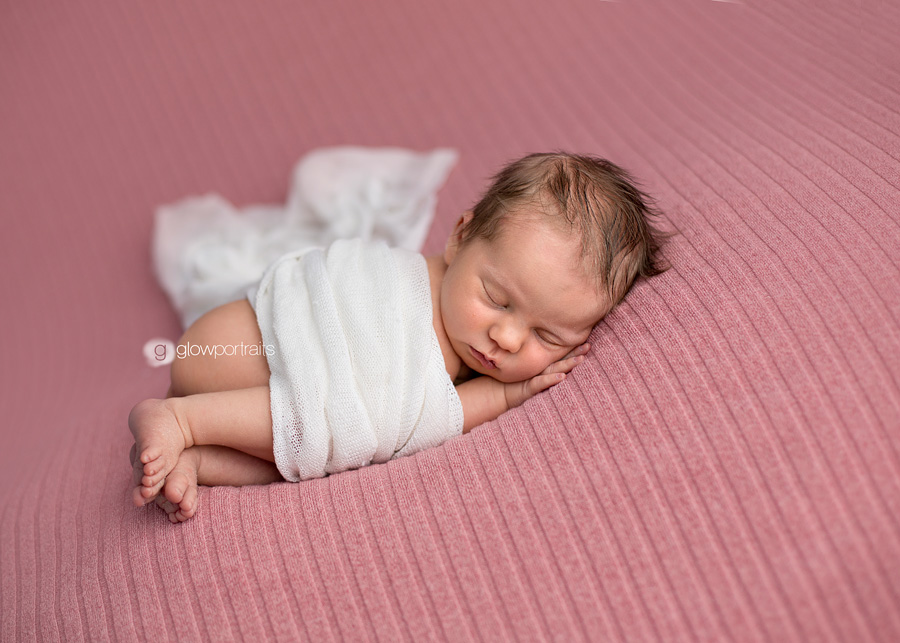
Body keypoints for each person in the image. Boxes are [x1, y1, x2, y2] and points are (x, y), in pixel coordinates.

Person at [128, 152, 668, 523]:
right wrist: (509, 392)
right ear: (459, 238)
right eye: (496, 299)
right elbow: (438, 410)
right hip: (235, 348)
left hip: (249, 398)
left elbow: (434, 412)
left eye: (546, 334)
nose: (504, 335)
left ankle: (197, 457)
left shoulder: (468, 338)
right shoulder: (405, 285)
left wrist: (515, 391)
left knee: (309, 455)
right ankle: (181, 418)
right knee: (336, 418)